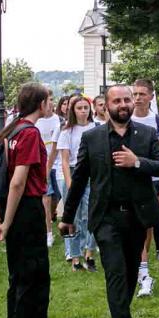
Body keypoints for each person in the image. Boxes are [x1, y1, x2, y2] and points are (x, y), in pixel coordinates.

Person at [59, 84, 159, 318]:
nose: (123, 105)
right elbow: (80, 178)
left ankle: (122, 309)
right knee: (116, 271)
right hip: (106, 217)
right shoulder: (92, 137)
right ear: (106, 106)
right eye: (117, 101)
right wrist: (67, 216)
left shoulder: (147, 133)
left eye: (126, 100)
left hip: (137, 216)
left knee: (131, 271)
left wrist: (138, 162)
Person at [0, 82, 56, 318]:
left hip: (11, 210)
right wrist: (6, 223)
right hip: (25, 210)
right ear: (40, 104)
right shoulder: (29, 133)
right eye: (49, 100)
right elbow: (17, 182)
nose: (51, 105)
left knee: (18, 278)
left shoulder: (10, 131)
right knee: (35, 279)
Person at [131, 79, 159, 295]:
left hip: (153, 179)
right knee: (136, 226)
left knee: (148, 227)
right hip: (133, 179)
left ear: (151, 96)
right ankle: (143, 269)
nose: (138, 98)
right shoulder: (126, 117)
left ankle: (142, 264)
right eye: (135, 94)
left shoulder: (157, 120)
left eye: (142, 94)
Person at [57, 96, 98, 272]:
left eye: (85, 107)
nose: (83, 111)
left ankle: (89, 253)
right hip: (74, 173)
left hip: (92, 174)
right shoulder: (67, 132)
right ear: (73, 110)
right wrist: (70, 183)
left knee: (92, 215)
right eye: (79, 108)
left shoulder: (97, 128)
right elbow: (65, 161)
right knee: (72, 218)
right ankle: (75, 257)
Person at [35, 92, 61, 248]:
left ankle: (51, 216)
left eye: (51, 99)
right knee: (46, 198)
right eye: (46, 100)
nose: (49, 103)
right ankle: (48, 233)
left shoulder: (60, 120)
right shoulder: (36, 121)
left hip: (58, 165)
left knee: (56, 198)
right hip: (42, 163)